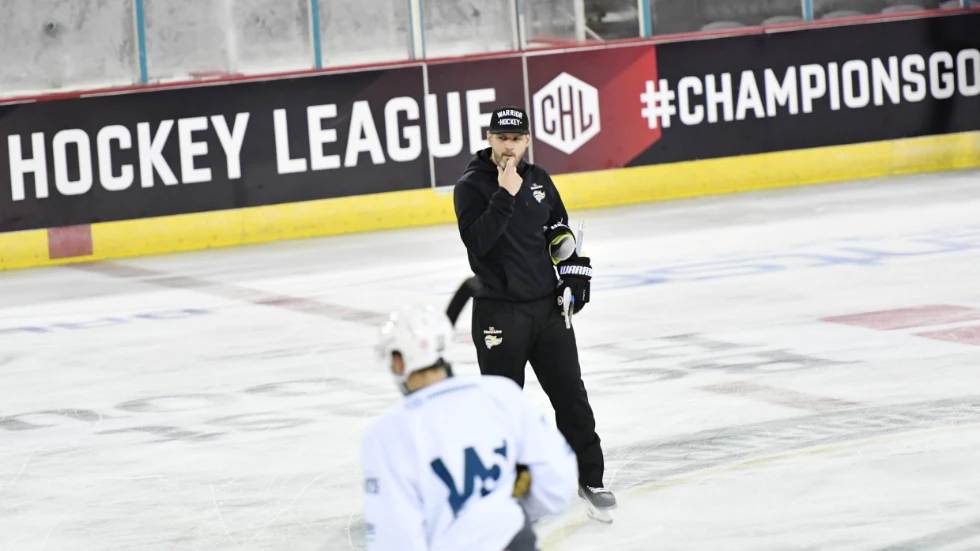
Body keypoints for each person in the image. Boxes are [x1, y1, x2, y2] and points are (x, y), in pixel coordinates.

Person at [451, 105, 616, 521]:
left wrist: (572, 269)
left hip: (547, 310)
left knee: (571, 396)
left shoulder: (540, 179)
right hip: (499, 314)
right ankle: (507, 489)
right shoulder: (471, 186)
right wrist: (504, 194)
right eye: (502, 138)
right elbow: (480, 243)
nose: (510, 146)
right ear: (489, 137)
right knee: (505, 407)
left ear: (527, 140)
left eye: (518, 138)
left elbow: (556, 227)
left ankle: (589, 477)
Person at [361, 305, 579, 551]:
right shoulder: (501, 394)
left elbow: (396, 537)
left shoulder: (387, 433)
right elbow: (556, 482)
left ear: (400, 361)